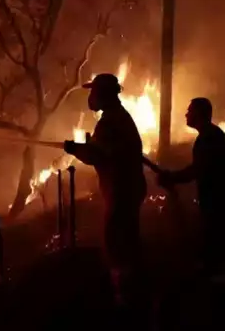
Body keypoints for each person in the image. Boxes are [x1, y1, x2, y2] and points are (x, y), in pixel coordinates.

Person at [63, 73, 148, 315]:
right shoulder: (120, 118)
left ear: (103, 94)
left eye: (93, 92)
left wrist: (75, 149)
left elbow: (97, 155)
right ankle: (135, 289)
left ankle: (125, 300)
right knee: (128, 240)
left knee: (117, 243)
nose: (90, 97)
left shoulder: (109, 122)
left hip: (121, 191)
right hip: (129, 188)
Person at [157, 97, 225, 280]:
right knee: (216, 245)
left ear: (199, 114)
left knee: (217, 247)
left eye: (190, 110)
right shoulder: (210, 135)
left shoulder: (209, 138)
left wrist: (172, 177)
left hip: (219, 201)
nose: (186, 114)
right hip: (219, 199)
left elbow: (198, 169)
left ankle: (218, 288)